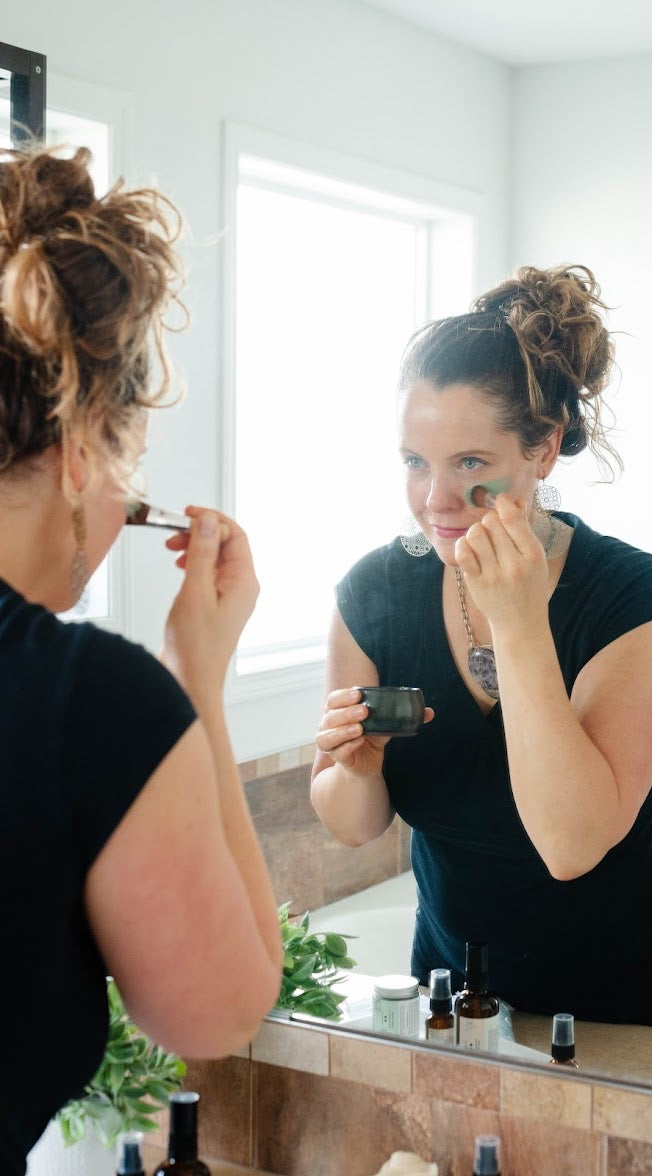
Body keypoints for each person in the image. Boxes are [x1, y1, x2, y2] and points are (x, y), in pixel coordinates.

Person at [311, 263, 652, 1038]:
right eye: (414, 461)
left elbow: (570, 845)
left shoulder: (636, 601)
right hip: (455, 985)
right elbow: (352, 824)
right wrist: (354, 767)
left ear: (543, 449)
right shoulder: (372, 592)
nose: (434, 498)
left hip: (635, 995)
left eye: (468, 463)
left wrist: (519, 621)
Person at [0, 144, 282, 1172]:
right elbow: (222, 1009)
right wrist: (193, 680)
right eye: (130, 456)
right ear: (83, 448)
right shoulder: (86, 700)